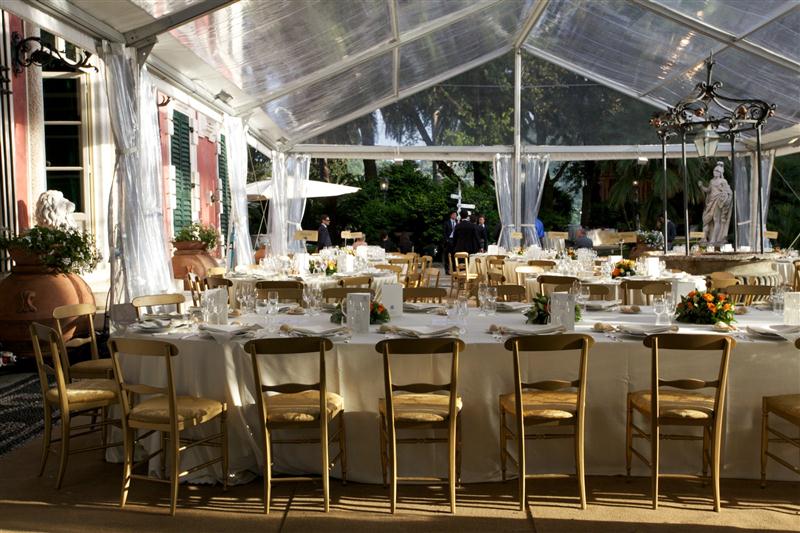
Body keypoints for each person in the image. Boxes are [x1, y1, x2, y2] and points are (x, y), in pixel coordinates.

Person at [698, 161, 733, 246]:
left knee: (716, 220)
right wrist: (701, 186)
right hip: (710, 202)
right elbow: (708, 190)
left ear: (720, 173)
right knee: (706, 220)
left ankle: (714, 239)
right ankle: (705, 238)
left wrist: (724, 196)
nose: (715, 172)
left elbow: (728, 192)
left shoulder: (723, 181)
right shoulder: (711, 181)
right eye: (714, 170)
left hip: (718, 202)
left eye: (717, 171)